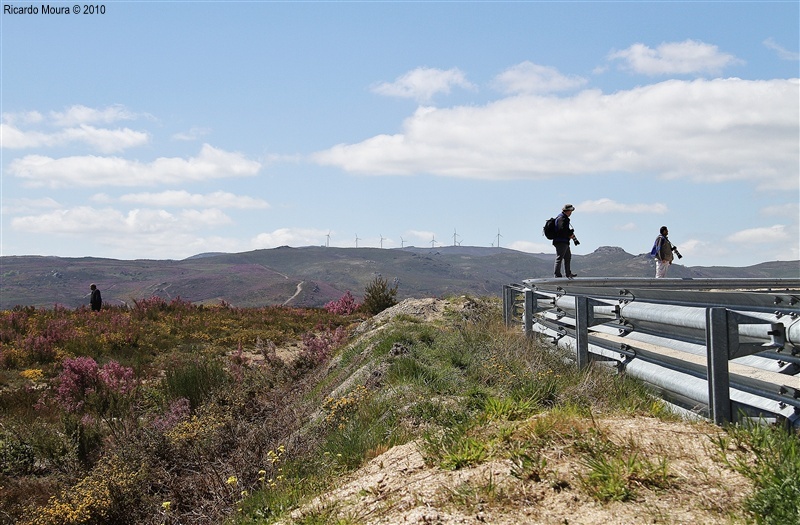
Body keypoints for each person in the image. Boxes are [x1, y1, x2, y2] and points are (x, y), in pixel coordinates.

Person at [553, 204, 578, 278]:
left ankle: (568, 273)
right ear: (568, 211)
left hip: (563, 241)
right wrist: (568, 235)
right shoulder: (562, 218)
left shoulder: (562, 218)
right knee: (560, 258)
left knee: (567, 257)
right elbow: (561, 230)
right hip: (561, 241)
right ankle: (557, 275)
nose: (571, 213)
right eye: (571, 211)